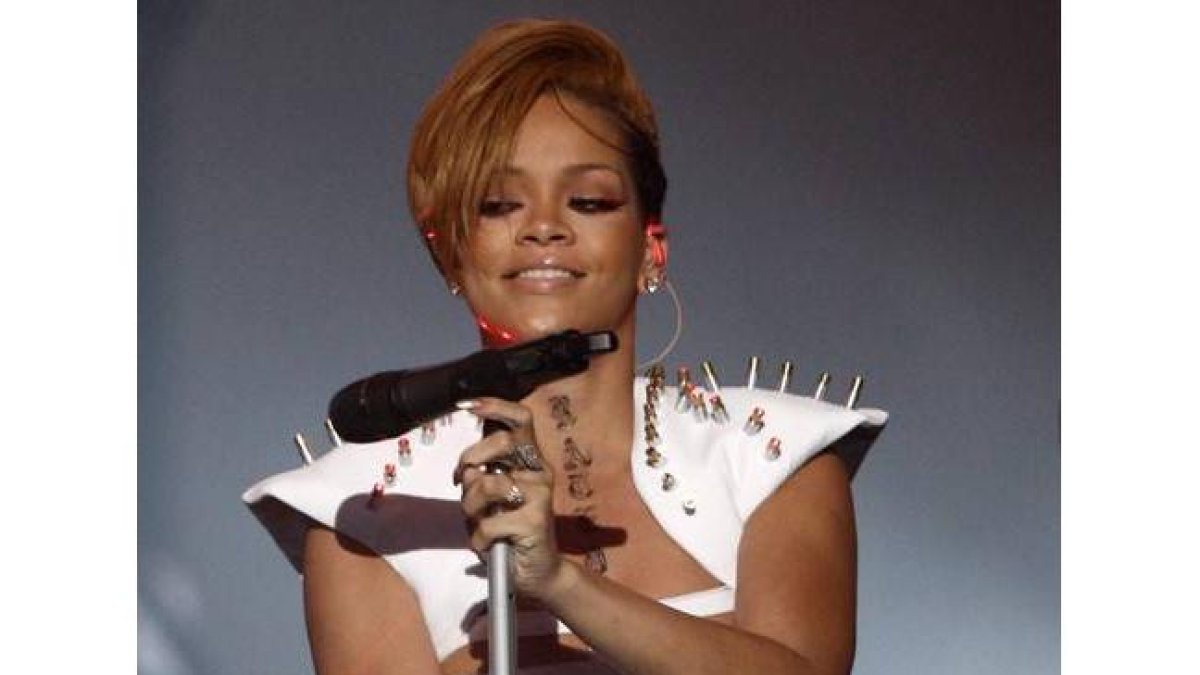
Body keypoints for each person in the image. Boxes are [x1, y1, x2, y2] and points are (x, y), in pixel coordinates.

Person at [244, 18, 887, 675]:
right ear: (453, 256)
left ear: (652, 247)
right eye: (499, 204)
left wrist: (562, 582)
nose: (544, 226)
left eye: (588, 200)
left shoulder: (767, 457)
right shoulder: (369, 509)